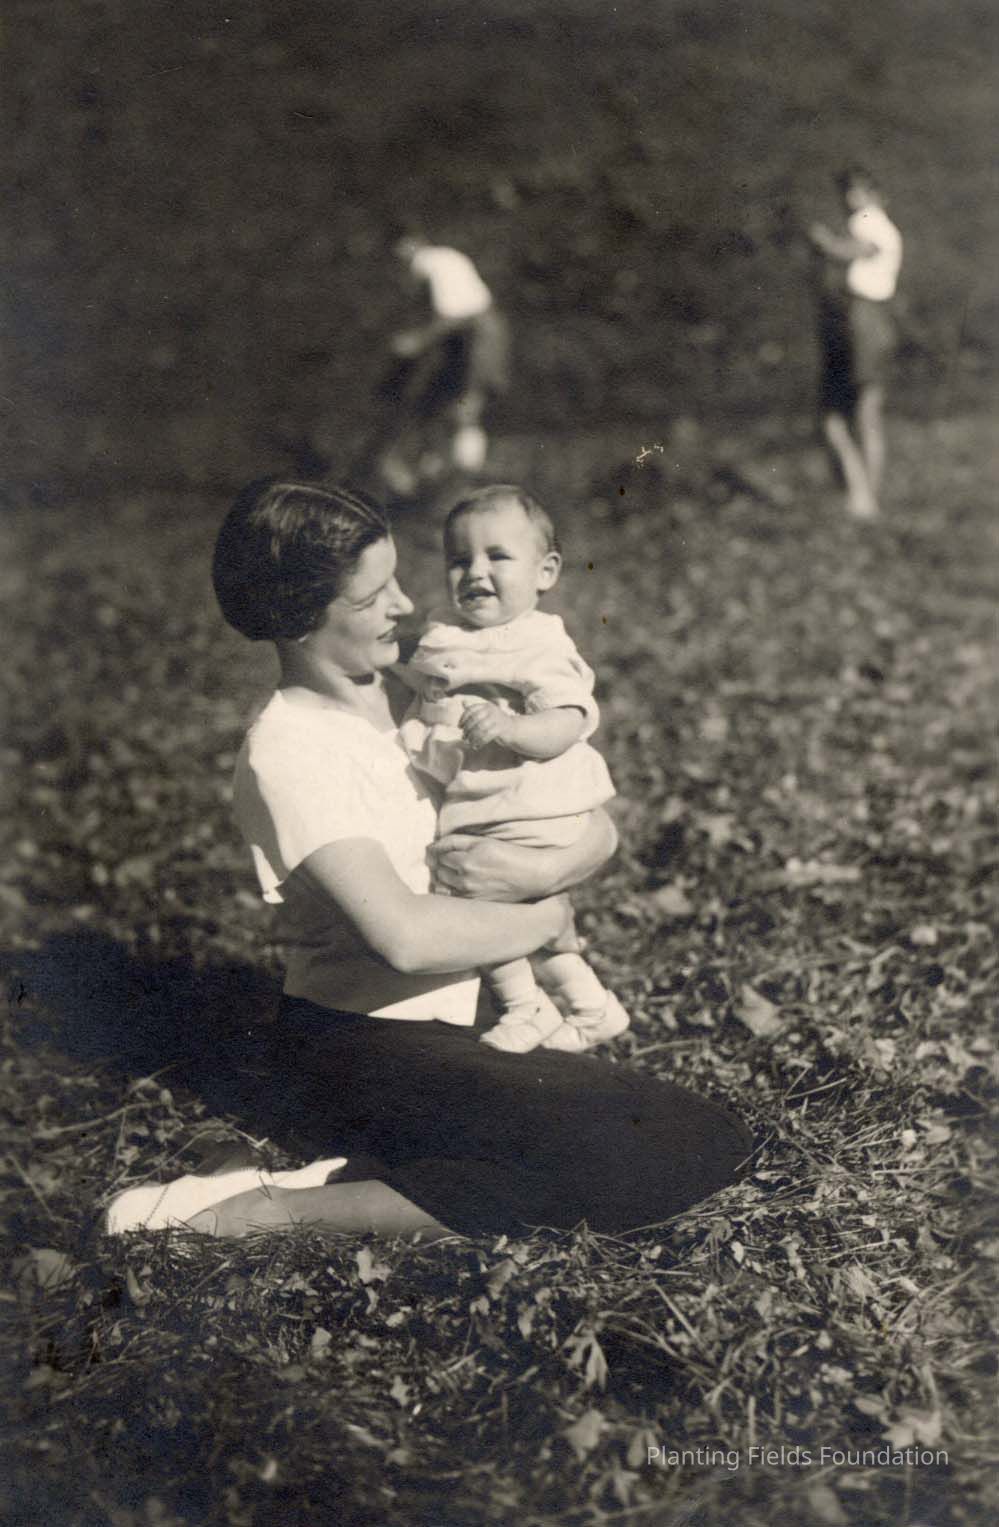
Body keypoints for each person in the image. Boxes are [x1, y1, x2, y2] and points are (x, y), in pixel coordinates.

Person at [107, 479, 751, 1242]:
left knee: (696, 1133)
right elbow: (405, 938)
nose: (406, 605)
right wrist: (546, 918)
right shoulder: (288, 751)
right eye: (372, 595)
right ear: (301, 615)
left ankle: (373, 1170)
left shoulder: (429, 679)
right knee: (652, 1151)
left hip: (483, 1014)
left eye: (398, 580)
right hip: (363, 1043)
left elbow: (590, 820)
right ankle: (258, 1212)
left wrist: (544, 874)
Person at [399, 486, 628, 1055]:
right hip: (488, 803)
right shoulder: (447, 634)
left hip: (532, 803)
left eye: (497, 556)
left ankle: (526, 1006)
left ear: (545, 572)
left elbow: (567, 721)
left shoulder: (535, 642)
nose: (475, 572)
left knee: (480, 905)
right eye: (459, 560)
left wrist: (510, 728)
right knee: (509, 910)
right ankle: (591, 1006)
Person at [365, 236, 510, 495]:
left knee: (466, 408)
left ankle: (466, 484)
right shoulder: (434, 264)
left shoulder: (434, 263)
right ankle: (435, 476)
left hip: (476, 338)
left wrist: (417, 341)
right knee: (442, 408)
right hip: (463, 340)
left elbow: (455, 316)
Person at [808, 166, 903, 518]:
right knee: (853, 411)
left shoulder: (872, 220)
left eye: (860, 191)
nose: (852, 199)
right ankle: (862, 493)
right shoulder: (871, 221)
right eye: (848, 192)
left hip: (867, 318)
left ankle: (865, 496)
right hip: (859, 318)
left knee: (860, 411)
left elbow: (858, 249)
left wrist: (826, 243)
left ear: (875, 193)